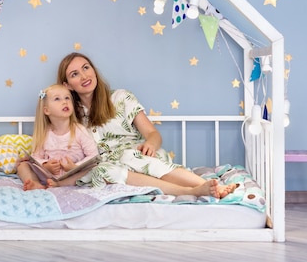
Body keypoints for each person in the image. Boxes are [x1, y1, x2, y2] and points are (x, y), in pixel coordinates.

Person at [56, 52, 237, 199]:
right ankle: (190, 192)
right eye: (75, 74)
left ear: (94, 70)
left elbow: (153, 134)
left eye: (86, 68)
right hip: (112, 168)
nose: (84, 76)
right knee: (103, 171)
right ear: (67, 85)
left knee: (131, 157)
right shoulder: (71, 118)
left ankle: (209, 186)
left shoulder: (120, 98)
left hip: (139, 155)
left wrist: (150, 143)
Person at [17, 84, 100, 190]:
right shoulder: (44, 133)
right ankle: (34, 182)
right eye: (57, 99)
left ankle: (62, 184)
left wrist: (75, 167)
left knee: (94, 168)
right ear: (46, 110)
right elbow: (36, 157)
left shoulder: (79, 130)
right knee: (23, 165)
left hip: (72, 174)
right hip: (48, 175)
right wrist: (46, 165)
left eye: (67, 98)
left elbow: (93, 155)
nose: (64, 101)